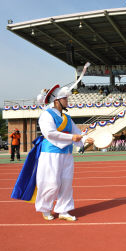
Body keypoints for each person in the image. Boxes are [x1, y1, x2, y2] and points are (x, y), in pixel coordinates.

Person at [11, 84, 94, 221]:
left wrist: (85, 139)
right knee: (51, 183)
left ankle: (63, 210)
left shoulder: (67, 117)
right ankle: (45, 208)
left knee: (66, 183)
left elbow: (77, 133)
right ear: (57, 101)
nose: (68, 102)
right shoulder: (46, 115)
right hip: (50, 154)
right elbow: (50, 133)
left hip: (66, 154)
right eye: (65, 99)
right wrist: (72, 138)